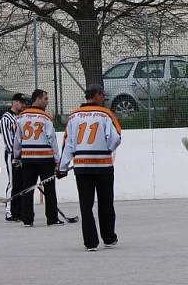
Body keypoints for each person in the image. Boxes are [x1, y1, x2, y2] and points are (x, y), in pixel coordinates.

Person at [58, 86, 122, 251]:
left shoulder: (74, 116)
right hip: (103, 166)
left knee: (86, 205)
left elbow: (68, 143)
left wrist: (62, 167)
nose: (104, 99)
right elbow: (116, 138)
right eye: (103, 95)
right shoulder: (105, 114)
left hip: (82, 167)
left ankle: (90, 243)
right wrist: (106, 149)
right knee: (106, 203)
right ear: (97, 95)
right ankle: (108, 238)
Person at [12, 89, 62, 226]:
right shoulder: (45, 118)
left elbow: (17, 140)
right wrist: (58, 161)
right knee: (50, 189)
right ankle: (52, 219)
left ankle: (27, 219)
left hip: (28, 159)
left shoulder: (21, 117)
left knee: (27, 189)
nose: (47, 101)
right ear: (38, 99)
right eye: (45, 99)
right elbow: (52, 140)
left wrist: (16, 156)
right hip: (45, 159)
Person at [0, 93, 27, 222]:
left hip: (21, 155)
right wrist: (16, 156)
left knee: (21, 183)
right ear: (14, 102)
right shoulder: (6, 118)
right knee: (13, 183)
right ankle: (10, 212)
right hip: (12, 155)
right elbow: (8, 141)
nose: (23, 105)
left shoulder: (20, 117)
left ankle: (20, 211)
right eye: (21, 102)